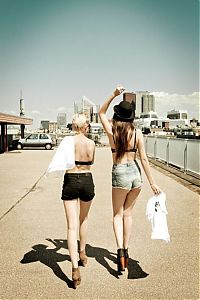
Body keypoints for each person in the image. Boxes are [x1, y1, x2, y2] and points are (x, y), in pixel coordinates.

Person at [99, 86, 160, 273]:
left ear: (118, 116)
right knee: (128, 215)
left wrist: (113, 94)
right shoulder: (138, 133)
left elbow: (101, 112)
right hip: (136, 175)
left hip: (120, 172)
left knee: (117, 215)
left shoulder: (113, 132)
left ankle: (120, 252)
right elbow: (144, 159)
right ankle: (127, 248)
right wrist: (152, 183)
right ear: (132, 117)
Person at [46, 113, 95, 288]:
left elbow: (62, 161)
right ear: (84, 127)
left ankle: (74, 269)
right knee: (84, 219)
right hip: (87, 179)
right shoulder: (92, 143)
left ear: (74, 127)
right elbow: (91, 161)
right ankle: (82, 253)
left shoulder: (68, 142)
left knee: (71, 226)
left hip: (71, 180)